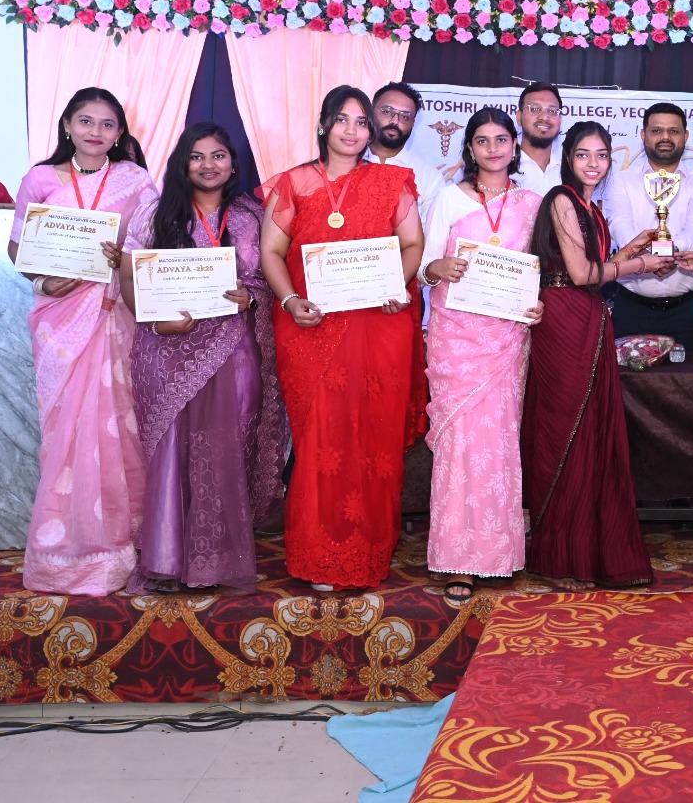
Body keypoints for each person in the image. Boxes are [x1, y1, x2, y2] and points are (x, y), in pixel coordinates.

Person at [258, 85, 428, 591]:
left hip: (377, 324)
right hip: (310, 326)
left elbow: (413, 243)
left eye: (361, 122)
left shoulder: (392, 181)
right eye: (342, 120)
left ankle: (365, 552)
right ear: (323, 124)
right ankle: (321, 555)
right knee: (321, 439)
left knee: (373, 440)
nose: (352, 130)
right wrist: (290, 301)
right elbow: (271, 252)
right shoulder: (293, 183)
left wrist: (397, 284)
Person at [120, 122, 288, 592]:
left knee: (227, 447)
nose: (208, 165)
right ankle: (168, 560)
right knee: (173, 449)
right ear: (182, 163)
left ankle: (216, 560)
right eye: (197, 156)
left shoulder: (253, 215)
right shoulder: (156, 213)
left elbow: (272, 276)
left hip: (236, 350)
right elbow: (131, 276)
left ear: (233, 163)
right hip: (169, 347)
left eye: (218, 155)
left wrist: (251, 299)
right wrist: (157, 322)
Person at [7, 88, 156, 595]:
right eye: (86, 121)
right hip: (60, 319)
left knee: (118, 425)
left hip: (115, 315)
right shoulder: (40, 179)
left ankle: (123, 541)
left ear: (120, 133)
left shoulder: (136, 180)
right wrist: (42, 281)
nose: (96, 131)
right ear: (67, 125)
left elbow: (152, 241)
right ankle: (63, 549)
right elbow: (18, 245)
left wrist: (125, 255)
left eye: (107, 124)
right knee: (65, 430)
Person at [522, 121, 669, 589]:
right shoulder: (562, 200)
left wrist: (630, 250)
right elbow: (583, 274)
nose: (593, 163)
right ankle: (560, 553)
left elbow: (595, 267)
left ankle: (588, 550)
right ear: (568, 158)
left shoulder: (590, 208)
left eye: (601, 155)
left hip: (589, 317)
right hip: (565, 321)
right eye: (583, 154)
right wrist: (640, 264)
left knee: (591, 429)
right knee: (566, 429)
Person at [419, 108, 543, 605]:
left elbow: (541, 270)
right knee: (460, 446)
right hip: (457, 338)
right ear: (469, 148)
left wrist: (539, 304)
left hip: (507, 336)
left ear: (514, 146)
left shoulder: (532, 203)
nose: (493, 149)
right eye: (483, 141)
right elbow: (424, 266)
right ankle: (457, 558)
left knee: (499, 443)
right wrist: (440, 267)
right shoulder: (448, 198)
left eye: (501, 140)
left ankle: (497, 555)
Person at [602, 102, 693, 355]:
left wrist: (665, 255)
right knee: (625, 380)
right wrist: (648, 259)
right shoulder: (622, 181)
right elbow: (620, 225)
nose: (665, 137)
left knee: (686, 379)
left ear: (685, 136)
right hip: (630, 309)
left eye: (673, 131)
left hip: (683, 312)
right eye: (657, 131)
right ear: (643, 135)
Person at [364, 81, 444, 211]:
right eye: (387, 111)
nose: (395, 121)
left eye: (405, 117)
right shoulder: (348, 161)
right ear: (371, 112)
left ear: (413, 124)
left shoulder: (429, 177)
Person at [513, 81, 564, 194]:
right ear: (519, 117)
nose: (544, 117)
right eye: (535, 109)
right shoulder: (504, 170)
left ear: (560, 120)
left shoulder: (568, 173)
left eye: (552, 111)